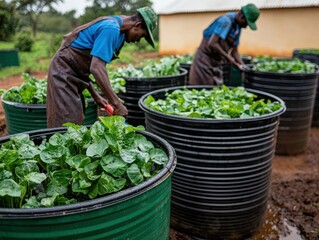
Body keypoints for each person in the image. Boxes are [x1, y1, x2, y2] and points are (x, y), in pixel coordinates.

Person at [46, 7, 157, 128]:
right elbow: (97, 68)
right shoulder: (111, 28)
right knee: (67, 122)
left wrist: (96, 96)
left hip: (76, 76)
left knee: (76, 119)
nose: (138, 40)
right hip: (62, 74)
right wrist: (117, 104)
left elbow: (86, 67)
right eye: (142, 36)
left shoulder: (120, 33)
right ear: (138, 25)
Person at [189, 3, 260, 86]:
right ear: (241, 16)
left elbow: (234, 51)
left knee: (216, 88)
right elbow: (212, 43)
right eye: (246, 23)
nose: (245, 27)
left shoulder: (237, 28)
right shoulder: (225, 21)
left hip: (216, 62)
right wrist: (228, 57)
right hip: (204, 60)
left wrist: (242, 65)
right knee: (203, 88)